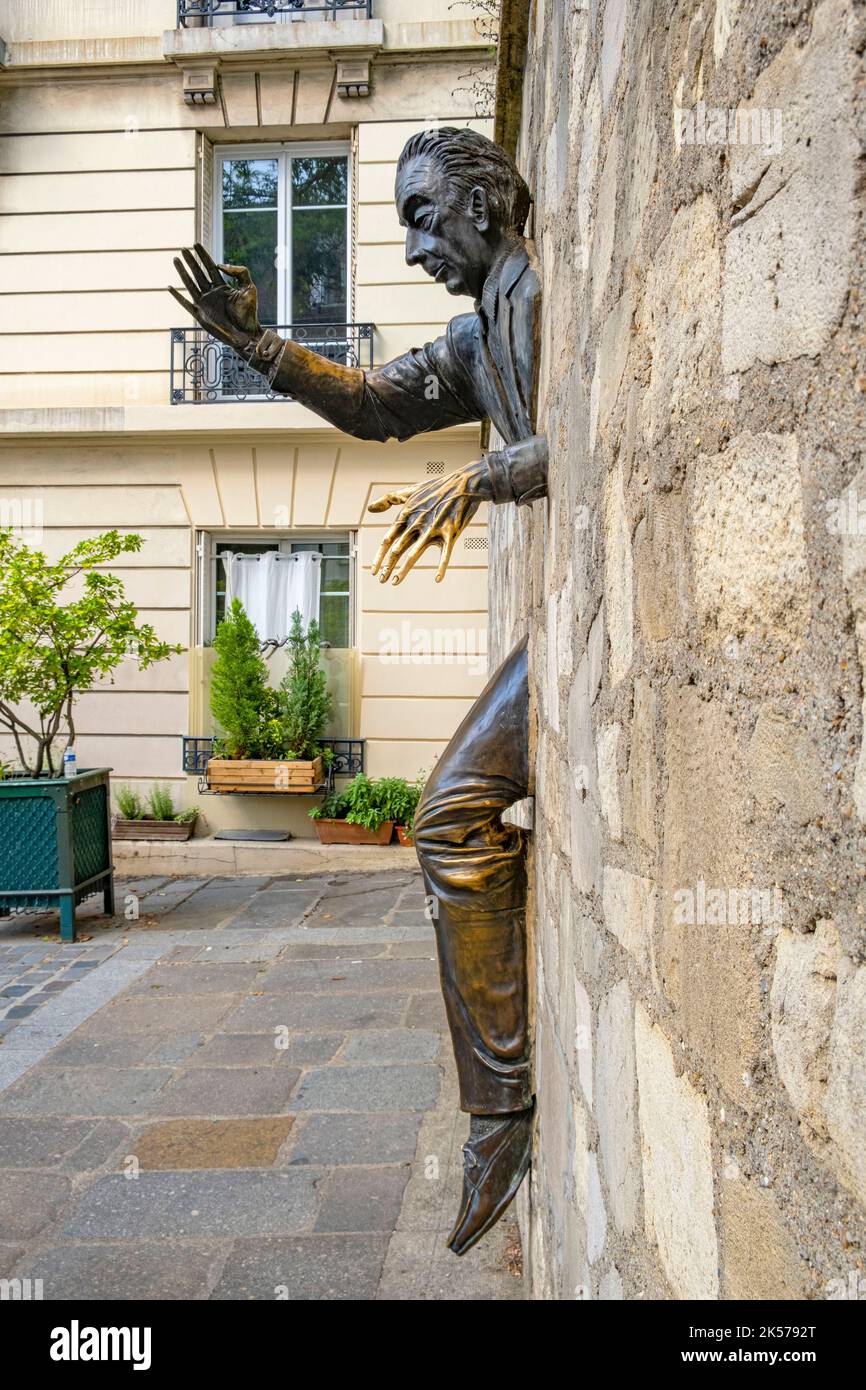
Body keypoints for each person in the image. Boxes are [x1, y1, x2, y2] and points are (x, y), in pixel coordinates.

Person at [170, 126, 547, 1255]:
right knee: (447, 820)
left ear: (487, 200)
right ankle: (498, 1108)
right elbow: (378, 403)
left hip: (591, 625)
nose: (414, 243)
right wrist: (261, 348)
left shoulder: (542, 303)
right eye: (401, 223)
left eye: (425, 217)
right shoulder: (481, 333)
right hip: (566, 631)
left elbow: (597, 439)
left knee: (442, 818)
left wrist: (483, 474)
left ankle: (500, 1111)